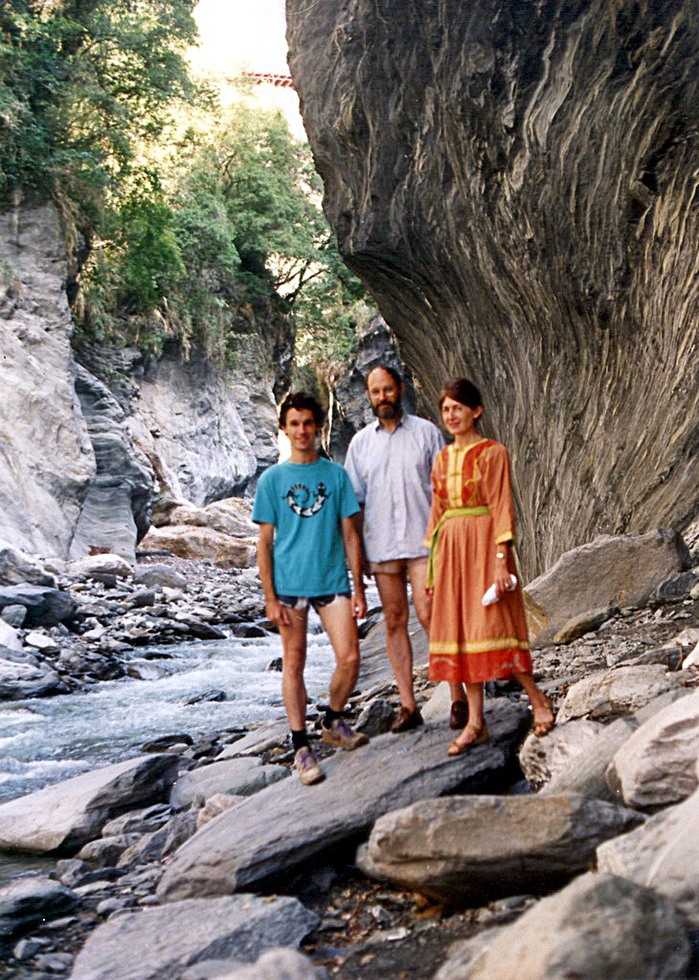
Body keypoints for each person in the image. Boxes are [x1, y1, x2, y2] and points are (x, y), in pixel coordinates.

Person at [424, 378, 554, 754]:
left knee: (495, 626)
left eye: (458, 408)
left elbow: (501, 507)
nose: (451, 415)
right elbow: (436, 516)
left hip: (484, 546)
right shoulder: (442, 459)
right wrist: (431, 571)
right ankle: (475, 722)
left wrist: (501, 561)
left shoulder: (493, 453)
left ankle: (538, 699)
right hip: (451, 551)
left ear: (475, 411)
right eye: (446, 409)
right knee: (463, 634)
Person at [253, 392, 368, 786]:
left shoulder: (335, 476)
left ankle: (333, 720)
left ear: (318, 426)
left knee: (351, 656)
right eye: (294, 424)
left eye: (308, 423)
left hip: (333, 580)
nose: (302, 430)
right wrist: (269, 598)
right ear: (284, 429)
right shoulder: (272, 480)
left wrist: (359, 587)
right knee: (294, 661)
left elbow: (351, 536)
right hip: (288, 587)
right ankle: (301, 745)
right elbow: (265, 543)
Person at [344, 364, 467, 733]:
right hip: (381, 546)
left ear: (400, 389)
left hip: (424, 541)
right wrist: (358, 559)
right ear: (369, 396)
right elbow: (355, 504)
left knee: (431, 614)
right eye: (375, 392)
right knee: (394, 621)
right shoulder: (361, 444)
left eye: (388, 389)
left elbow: (445, 490)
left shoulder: (427, 433)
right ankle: (408, 705)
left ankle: (457, 695)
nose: (382, 397)